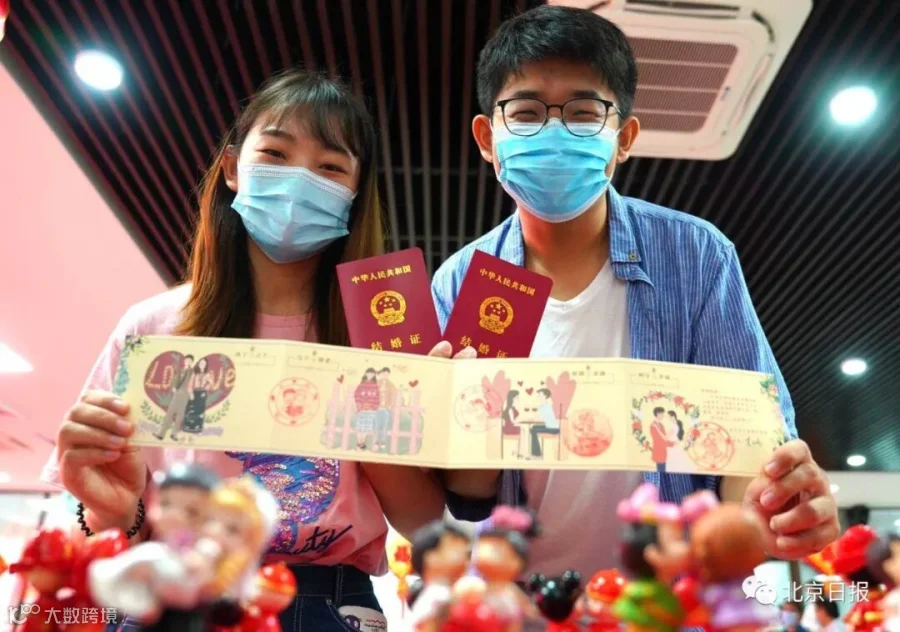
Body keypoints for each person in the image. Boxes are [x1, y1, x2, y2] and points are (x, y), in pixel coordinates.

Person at [431, 4, 839, 580]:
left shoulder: (696, 256)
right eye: (524, 113)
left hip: (668, 599)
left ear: (623, 138)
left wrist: (766, 509)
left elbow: (747, 435)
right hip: (517, 602)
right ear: (486, 137)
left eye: (583, 113)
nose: (553, 132)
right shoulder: (459, 281)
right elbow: (468, 494)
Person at [46, 69, 459, 631]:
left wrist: (373, 422)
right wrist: (112, 509)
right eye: (275, 154)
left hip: (328, 602)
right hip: (174, 591)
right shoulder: (155, 329)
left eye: (330, 167)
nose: (299, 181)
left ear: (355, 194)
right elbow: (111, 523)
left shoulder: (384, 336)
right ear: (232, 168)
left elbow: (425, 519)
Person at [156, 354, 194, 441]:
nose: (188, 362)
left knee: (180, 415)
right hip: (177, 394)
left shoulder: (192, 372)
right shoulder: (180, 370)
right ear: (184, 361)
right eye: (187, 360)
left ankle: (174, 434)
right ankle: (161, 434)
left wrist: (191, 393)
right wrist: (173, 387)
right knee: (170, 413)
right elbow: (175, 380)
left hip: (185, 395)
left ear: (191, 362)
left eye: (190, 361)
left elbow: (192, 383)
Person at [529, 388, 558, 458]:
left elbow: (542, 418)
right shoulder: (543, 405)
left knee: (533, 430)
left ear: (545, 396)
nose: (538, 396)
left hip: (553, 429)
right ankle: (536, 452)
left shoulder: (546, 405)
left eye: (540, 395)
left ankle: (536, 453)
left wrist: (535, 418)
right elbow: (537, 417)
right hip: (549, 426)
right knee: (533, 428)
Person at [374, 367, 397, 451]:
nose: (385, 375)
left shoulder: (391, 385)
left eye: (387, 374)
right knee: (377, 426)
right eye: (384, 373)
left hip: (386, 409)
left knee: (384, 426)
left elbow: (394, 396)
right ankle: (377, 442)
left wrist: (390, 406)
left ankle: (383, 442)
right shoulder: (377, 383)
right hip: (377, 408)